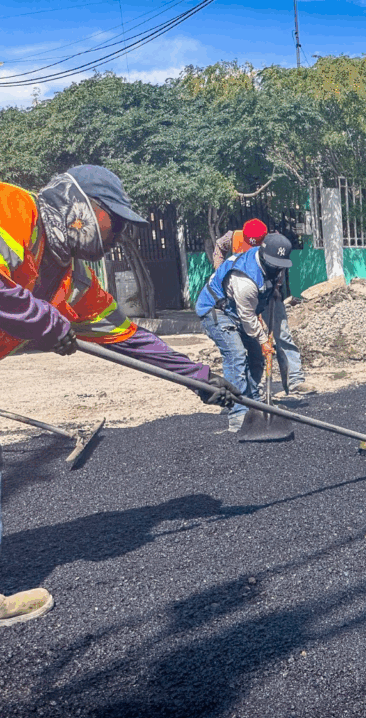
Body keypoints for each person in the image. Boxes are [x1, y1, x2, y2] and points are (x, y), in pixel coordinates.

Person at [0, 165, 234, 626]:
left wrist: (199, 378)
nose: (119, 235)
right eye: (117, 221)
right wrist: (46, 323)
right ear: (81, 207)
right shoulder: (13, 209)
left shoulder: (72, 284)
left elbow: (130, 339)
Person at [196, 233, 293, 431]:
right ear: (263, 257)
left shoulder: (276, 265)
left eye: (280, 266)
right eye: (274, 265)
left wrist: (275, 289)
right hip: (216, 309)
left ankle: (254, 403)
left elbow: (272, 284)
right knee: (236, 355)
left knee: (256, 356)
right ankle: (238, 413)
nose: (277, 269)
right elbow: (248, 317)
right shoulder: (245, 279)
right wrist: (264, 340)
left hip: (238, 310)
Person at [214, 219, 314, 397]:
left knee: (282, 334)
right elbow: (219, 247)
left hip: (267, 293)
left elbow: (281, 265)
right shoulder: (232, 237)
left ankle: (295, 378)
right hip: (242, 295)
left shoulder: (274, 243)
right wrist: (219, 270)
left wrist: (276, 286)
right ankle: (254, 386)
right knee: (249, 341)